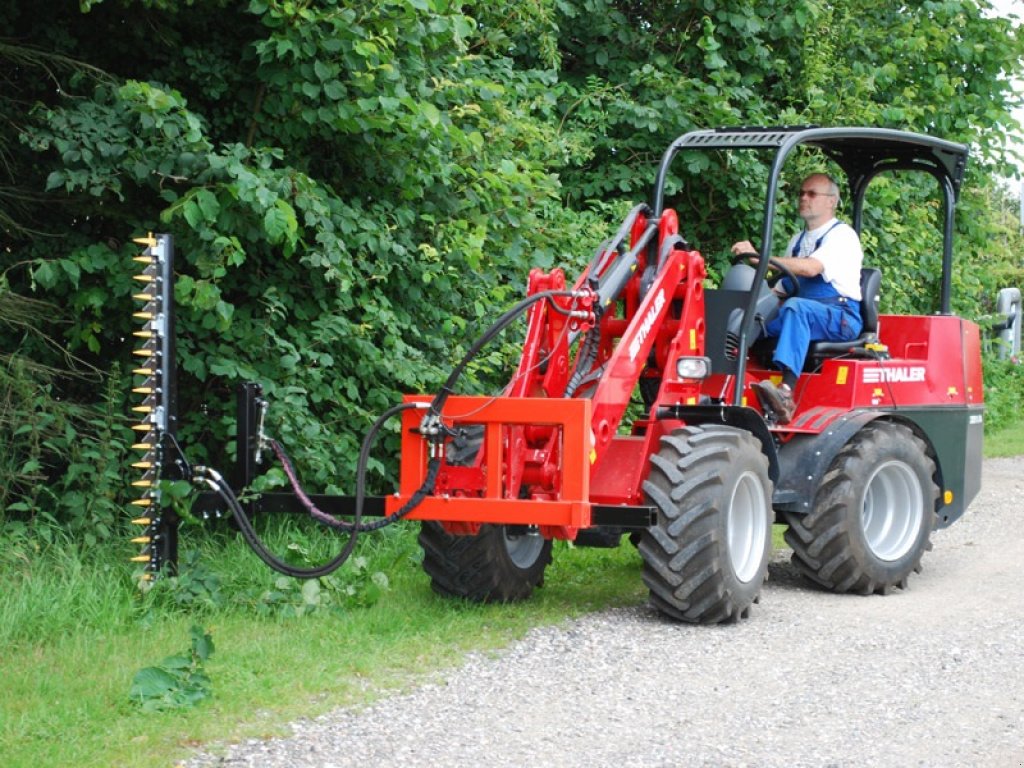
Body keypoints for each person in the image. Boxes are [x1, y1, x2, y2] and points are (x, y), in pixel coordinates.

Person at [730, 173, 864, 424]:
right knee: (753, 318)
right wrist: (752, 309)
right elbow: (784, 285)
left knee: (795, 308)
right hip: (806, 312)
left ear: (831, 201)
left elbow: (811, 268)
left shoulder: (842, 236)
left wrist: (761, 258)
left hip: (840, 316)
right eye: (801, 193)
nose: (804, 198)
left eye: (812, 194)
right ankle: (731, 382)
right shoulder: (798, 241)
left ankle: (786, 393)